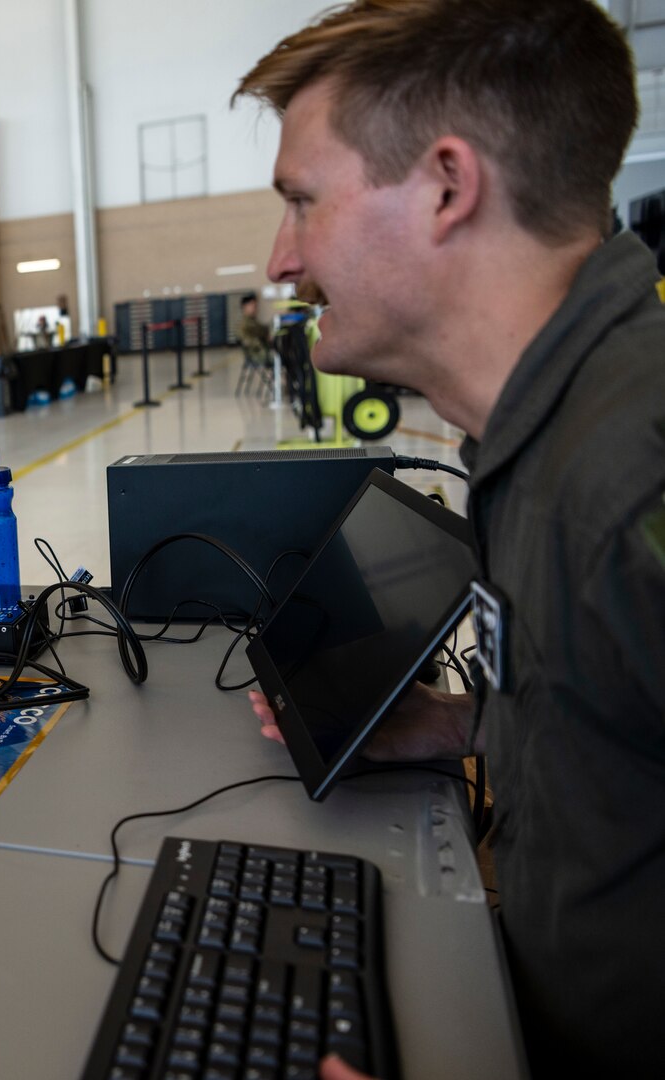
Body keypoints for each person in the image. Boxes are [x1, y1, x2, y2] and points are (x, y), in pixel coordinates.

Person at [234, 1, 664, 1075]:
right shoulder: (549, 431)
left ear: (445, 186)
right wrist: (474, 726)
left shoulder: (631, 471)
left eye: (302, 202)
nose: (282, 260)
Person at [236, 292, 270, 364]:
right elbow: (247, 341)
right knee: (282, 357)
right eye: (252, 305)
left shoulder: (253, 321)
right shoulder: (244, 324)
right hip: (256, 355)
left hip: (261, 352)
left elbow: (263, 330)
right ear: (245, 306)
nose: (255, 308)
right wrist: (263, 343)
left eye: (255, 306)